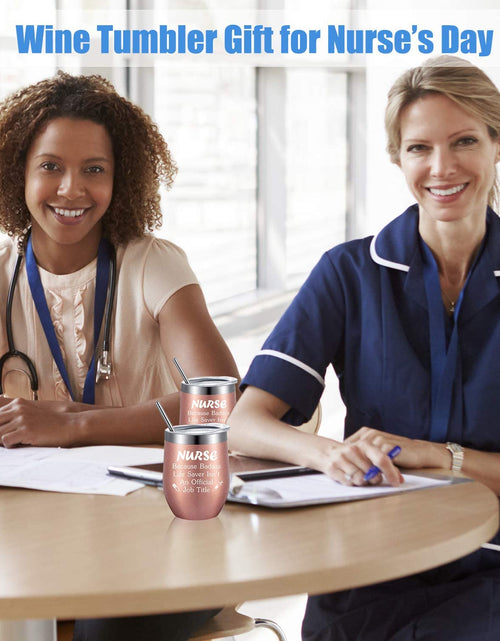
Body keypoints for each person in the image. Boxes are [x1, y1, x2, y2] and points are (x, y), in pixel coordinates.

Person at [228, 55, 500, 640]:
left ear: (496, 146)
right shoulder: (349, 273)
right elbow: (246, 425)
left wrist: (436, 456)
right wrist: (328, 455)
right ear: (397, 158)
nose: (442, 167)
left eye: (464, 141)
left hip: (492, 566)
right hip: (371, 565)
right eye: (419, 148)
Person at [0, 72, 238, 640]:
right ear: (19, 173)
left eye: (94, 170)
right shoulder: (1, 275)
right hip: (39, 532)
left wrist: (75, 425)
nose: (70, 189)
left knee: (105, 628)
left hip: (163, 530)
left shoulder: (153, 265)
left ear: (120, 178)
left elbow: (219, 403)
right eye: (51, 166)